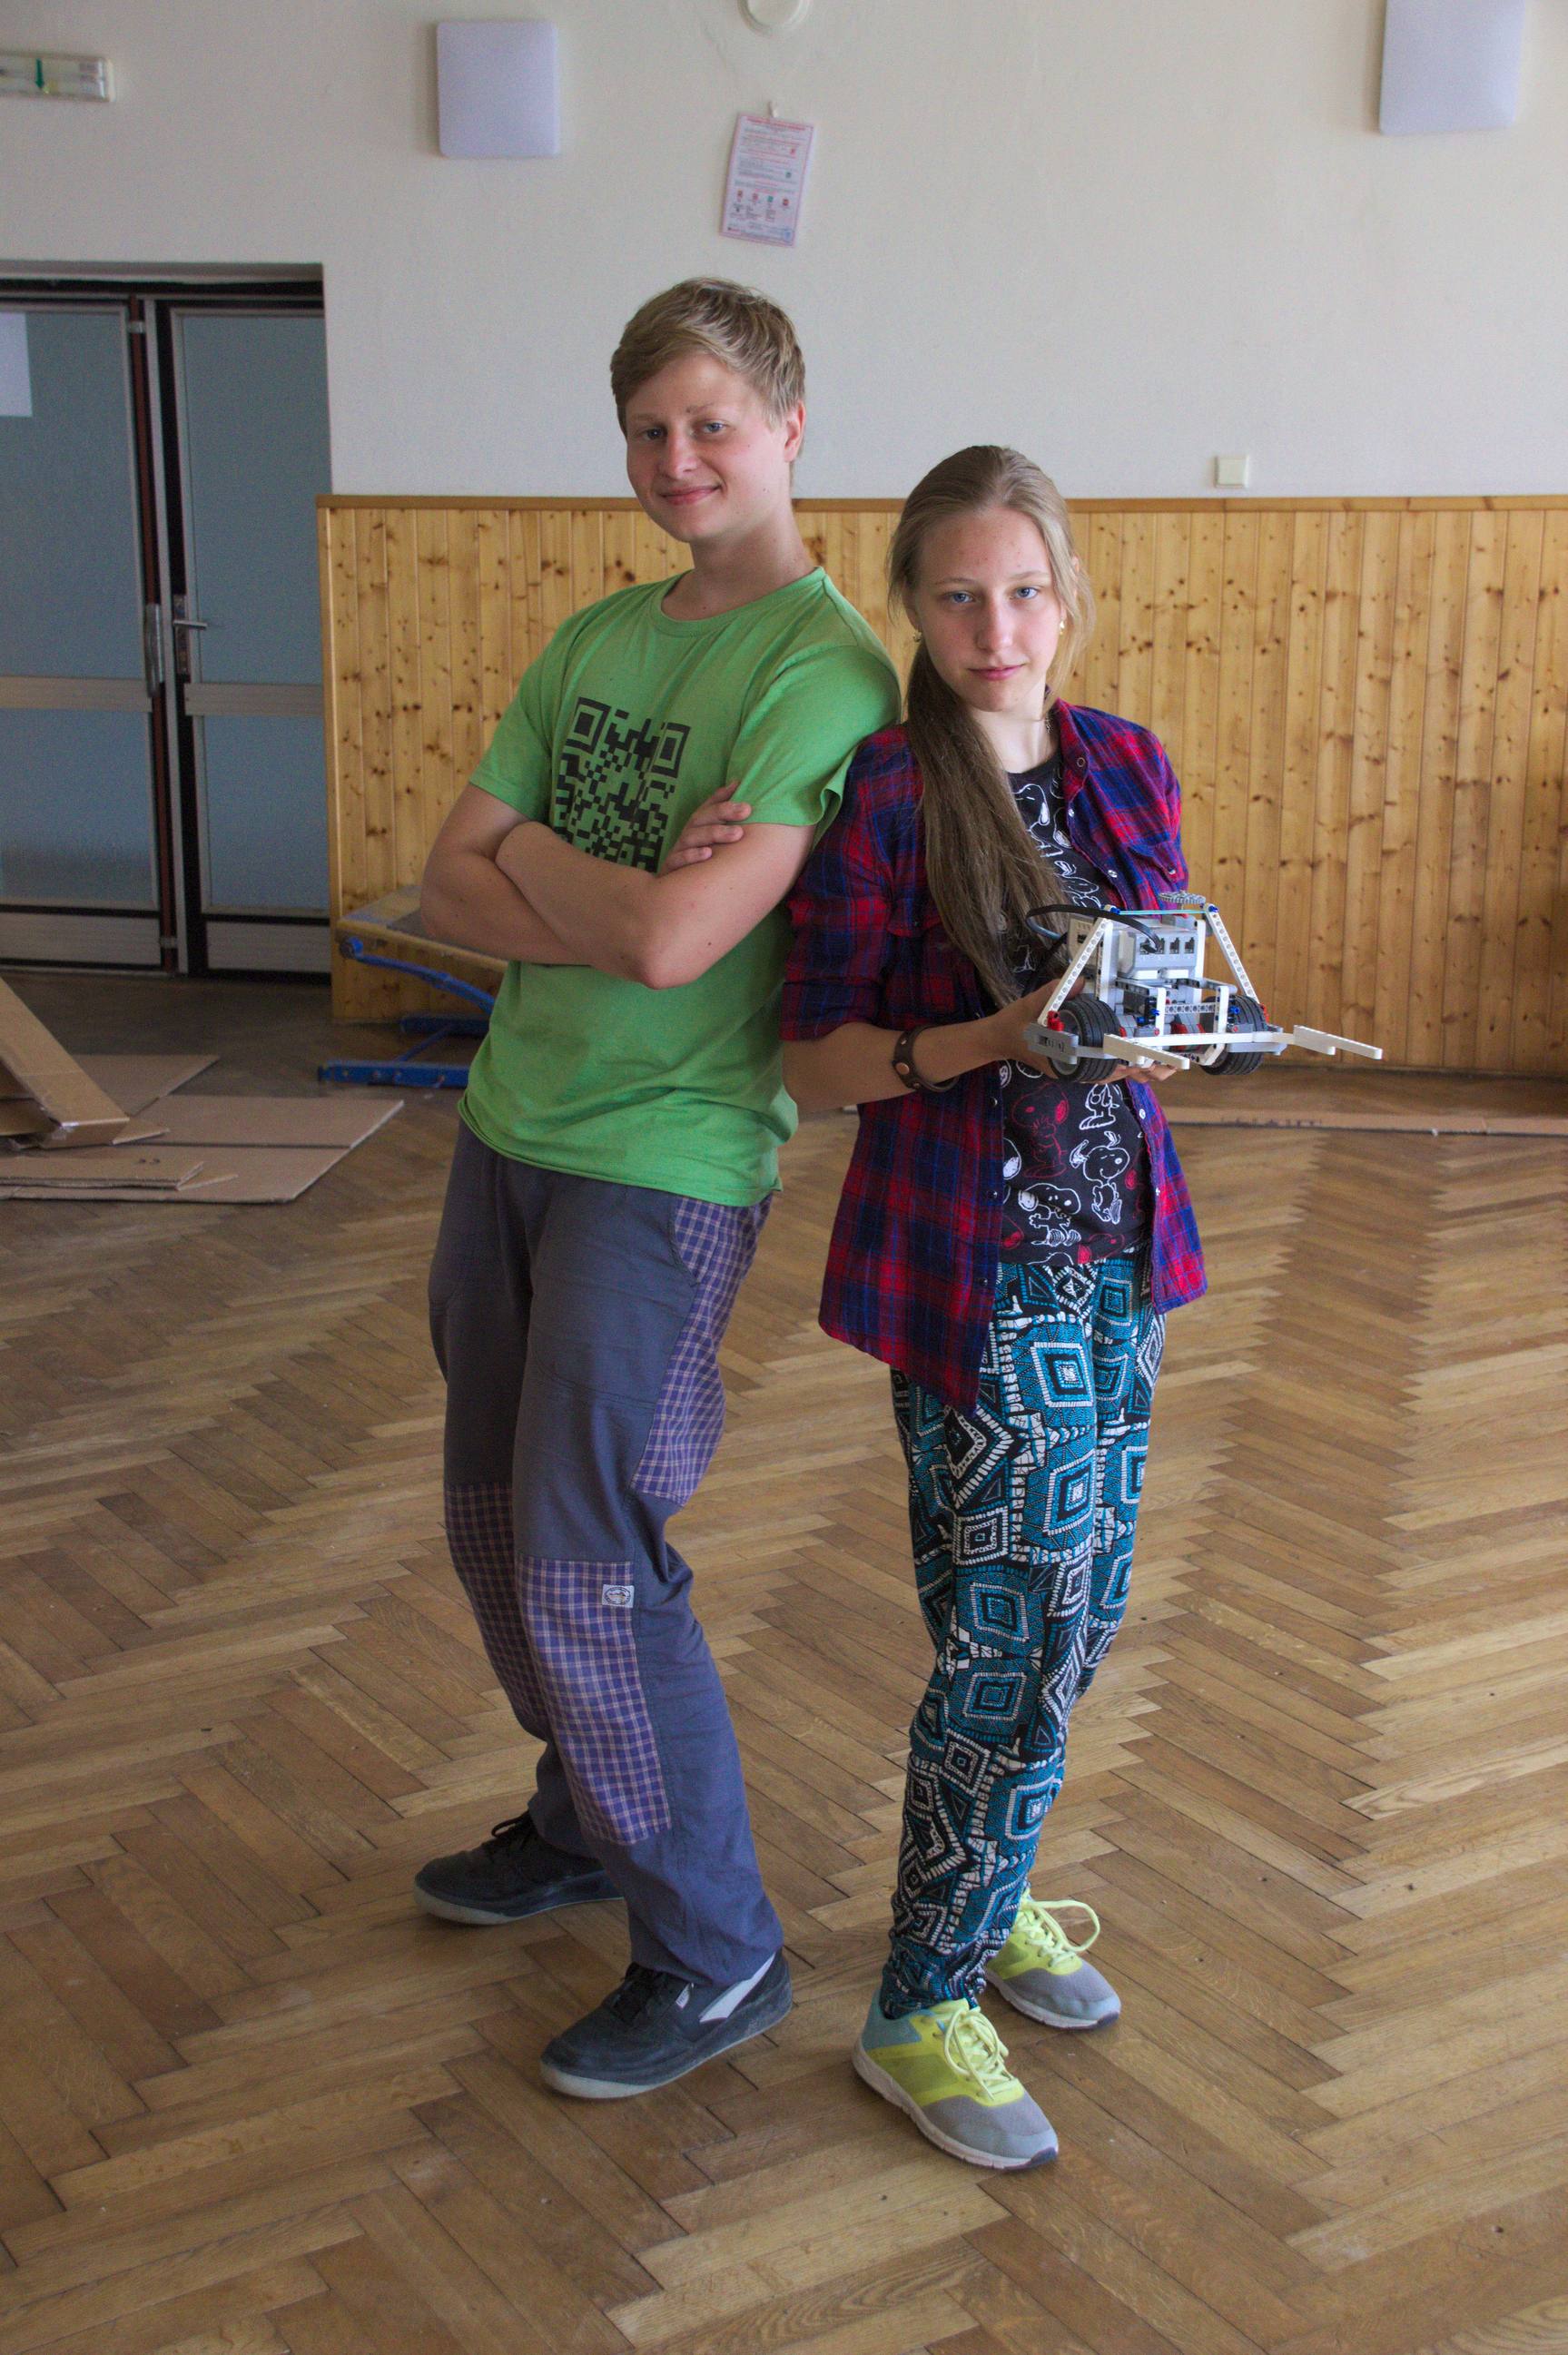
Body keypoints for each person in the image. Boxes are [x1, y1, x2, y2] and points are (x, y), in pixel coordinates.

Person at [412, 279, 899, 2101]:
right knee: (492, 1527)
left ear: (789, 427)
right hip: (509, 1127)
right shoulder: (597, 636)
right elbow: (439, 884)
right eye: (648, 428)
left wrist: (542, 864)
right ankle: (579, 1813)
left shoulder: (822, 672)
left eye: (712, 423)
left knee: (587, 1554)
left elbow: (682, 944)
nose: (678, 457)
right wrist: (597, 884)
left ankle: (716, 1949)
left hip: (666, 1163)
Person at [776, 446, 1207, 2169]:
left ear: (1069, 595)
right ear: (914, 606)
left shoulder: (1125, 761)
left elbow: (1156, 973)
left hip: (1120, 1251)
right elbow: (814, 1062)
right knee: (1011, 1631)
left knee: (1082, 1608)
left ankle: (994, 1878)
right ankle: (917, 2005)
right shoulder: (889, 792)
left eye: (1024, 590)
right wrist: (991, 1040)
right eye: (958, 595)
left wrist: (1185, 1032)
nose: (996, 626)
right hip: (972, 1261)